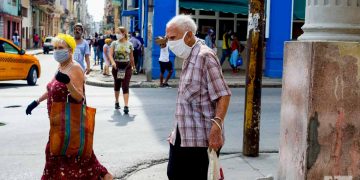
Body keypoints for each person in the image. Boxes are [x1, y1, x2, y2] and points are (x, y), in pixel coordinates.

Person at [25, 33, 113, 180]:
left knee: (65, 154)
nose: (57, 51)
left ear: (70, 50)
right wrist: (36, 102)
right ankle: (103, 175)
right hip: (57, 121)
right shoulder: (61, 66)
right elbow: (51, 88)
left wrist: (68, 83)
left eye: (61, 48)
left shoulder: (75, 69)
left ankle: (102, 175)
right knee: (75, 156)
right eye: (55, 48)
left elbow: (79, 97)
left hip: (69, 121)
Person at [165, 15, 231, 180]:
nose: (169, 43)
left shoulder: (205, 56)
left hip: (200, 140)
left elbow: (223, 94)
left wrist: (216, 131)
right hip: (183, 135)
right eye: (167, 38)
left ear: (188, 35)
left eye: (173, 38)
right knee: (173, 174)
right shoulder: (188, 57)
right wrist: (176, 132)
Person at [109, 26, 136, 113]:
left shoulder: (130, 44)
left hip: (126, 67)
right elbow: (110, 54)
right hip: (116, 66)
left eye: (119, 33)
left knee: (125, 85)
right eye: (116, 33)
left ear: (124, 33)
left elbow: (132, 57)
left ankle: (126, 106)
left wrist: (134, 67)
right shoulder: (114, 43)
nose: (117, 34)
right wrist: (113, 62)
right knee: (117, 84)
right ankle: (117, 101)